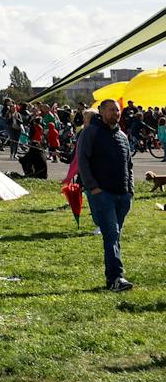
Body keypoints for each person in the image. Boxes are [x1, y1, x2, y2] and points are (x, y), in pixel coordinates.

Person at [78, 98, 134, 291]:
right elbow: (82, 161)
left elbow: (129, 164)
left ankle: (114, 278)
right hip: (103, 194)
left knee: (115, 236)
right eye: (110, 110)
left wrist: (130, 190)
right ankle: (116, 278)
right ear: (101, 112)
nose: (115, 113)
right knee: (111, 234)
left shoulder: (122, 136)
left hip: (122, 195)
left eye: (117, 110)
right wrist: (93, 188)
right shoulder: (91, 132)